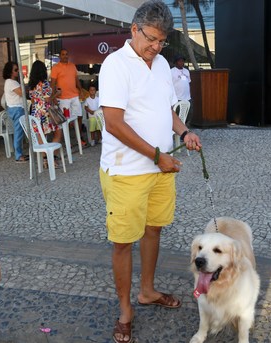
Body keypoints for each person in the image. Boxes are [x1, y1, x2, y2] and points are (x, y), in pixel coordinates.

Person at [98, 1, 202, 342]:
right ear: (134, 30)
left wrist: (184, 132)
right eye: (152, 39)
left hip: (160, 168)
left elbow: (167, 110)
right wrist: (157, 156)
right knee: (123, 242)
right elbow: (113, 123)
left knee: (154, 230)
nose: (156, 47)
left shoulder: (160, 66)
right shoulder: (115, 65)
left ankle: (147, 291)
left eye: (162, 41)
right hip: (127, 170)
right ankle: (126, 309)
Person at [28, 60, 62, 169]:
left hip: (35, 112)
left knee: (41, 137)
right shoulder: (45, 83)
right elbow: (47, 100)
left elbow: (33, 101)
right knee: (58, 132)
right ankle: (52, 158)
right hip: (45, 112)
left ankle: (45, 160)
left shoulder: (31, 85)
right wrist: (57, 94)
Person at [50, 48, 86, 146]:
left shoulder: (72, 66)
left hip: (74, 96)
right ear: (59, 56)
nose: (65, 56)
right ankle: (67, 140)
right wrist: (53, 98)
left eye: (66, 54)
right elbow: (52, 84)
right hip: (63, 98)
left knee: (79, 116)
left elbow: (76, 79)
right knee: (65, 120)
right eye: (63, 54)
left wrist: (81, 90)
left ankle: (80, 138)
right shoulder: (55, 68)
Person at [2, 61, 28, 163]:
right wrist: (22, 80)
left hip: (13, 108)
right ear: (10, 72)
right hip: (17, 109)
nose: (18, 71)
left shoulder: (9, 82)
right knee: (18, 133)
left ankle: (20, 153)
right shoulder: (11, 82)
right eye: (16, 70)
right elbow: (22, 93)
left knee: (19, 132)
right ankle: (18, 155)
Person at [171, 55, 192, 123]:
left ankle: (185, 129)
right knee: (177, 116)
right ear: (176, 62)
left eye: (183, 61)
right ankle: (176, 131)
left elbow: (189, 83)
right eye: (180, 61)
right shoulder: (171, 71)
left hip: (187, 98)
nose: (182, 62)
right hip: (177, 98)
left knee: (187, 115)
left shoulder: (186, 71)